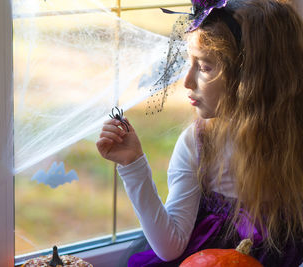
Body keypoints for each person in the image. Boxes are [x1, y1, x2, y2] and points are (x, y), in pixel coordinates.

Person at [96, 0, 303, 266]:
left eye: (204, 67)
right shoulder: (199, 143)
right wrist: (132, 164)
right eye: (189, 62)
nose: (186, 81)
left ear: (251, 77)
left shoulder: (294, 143)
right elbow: (169, 247)